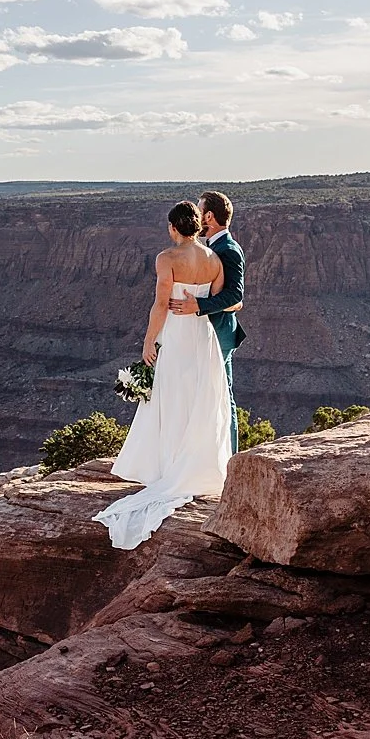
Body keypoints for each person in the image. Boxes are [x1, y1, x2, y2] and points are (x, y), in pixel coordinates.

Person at [93, 201, 234, 550]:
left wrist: (149, 340)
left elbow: (160, 304)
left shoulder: (166, 258)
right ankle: (195, 466)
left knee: (172, 398)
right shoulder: (214, 260)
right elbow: (218, 301)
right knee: (199, 399)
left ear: (173, 227)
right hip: (203, 337)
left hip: (176, 335)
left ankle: (170, 469)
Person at [169, 190, 245, 449]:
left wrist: (199, 305)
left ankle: (230, 458)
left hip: (220, 332)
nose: (195, 216)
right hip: (204, 331)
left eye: (199, 211)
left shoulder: (228, 250)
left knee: (223, 394)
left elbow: (235, 295)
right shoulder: (211, 248)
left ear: (209, 216)